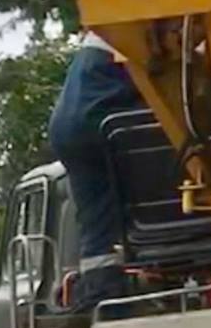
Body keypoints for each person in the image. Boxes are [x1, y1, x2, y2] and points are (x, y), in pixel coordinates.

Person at [46, 31, 144, 309]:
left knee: (101, 225)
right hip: (106, 83)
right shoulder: (148, 17)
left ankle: (106, 300)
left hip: (72, 118)